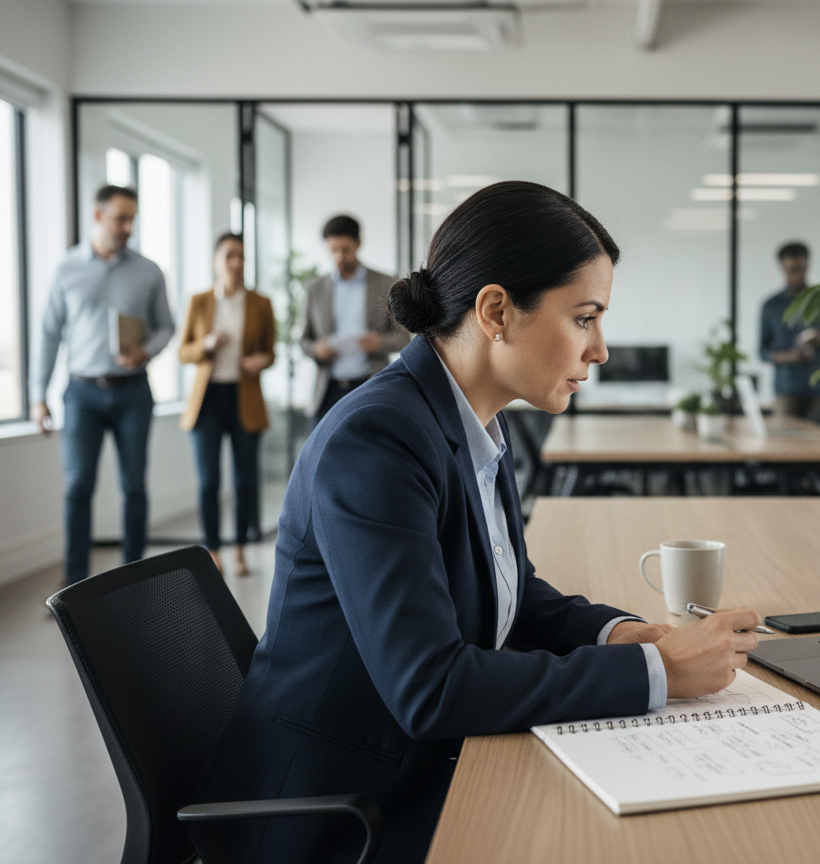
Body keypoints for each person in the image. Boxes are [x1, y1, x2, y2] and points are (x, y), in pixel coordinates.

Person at [191, 182, 760, 864]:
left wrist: (625, 634)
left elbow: (507, 591)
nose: (601, 349)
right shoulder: (375, 441)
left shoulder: (473, 420)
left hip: (413, 766)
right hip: (338, 809)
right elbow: (432, 689)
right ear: (496, 311)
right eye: (584, 317)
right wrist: (655, 671)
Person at [30, 185, 175, 585]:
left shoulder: (149, 270)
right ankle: (73, 585)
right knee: (78, 487)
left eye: (133, 219)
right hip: (81, 394)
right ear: (98, 216)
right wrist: (37, 396)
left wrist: (145, 351)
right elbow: (47, 333)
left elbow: (167, 327)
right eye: (121, 218)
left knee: (133, 487)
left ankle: (134, 582)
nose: (128, 226)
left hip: (133, 391)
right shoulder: (66, 268)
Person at [178, 233, 276, 576]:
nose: (236, 263)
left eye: (241, 257)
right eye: (229, 256)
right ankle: (213, 550)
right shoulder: (200, 301)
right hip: (207, 402)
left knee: (244, 480)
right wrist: (206, 343)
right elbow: (183, 351)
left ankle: (240, 548)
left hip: (243, 397)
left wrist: (260, 361)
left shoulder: (261, 303)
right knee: (208, 482)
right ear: (216, 261)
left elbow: (271, 351)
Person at [300, 214, 411, 425]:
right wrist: (316, 349)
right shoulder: (315, 289)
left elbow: (403, 338)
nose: (339, 257)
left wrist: (379, 343)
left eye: (345, 249)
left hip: (370, 386)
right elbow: (303, 340)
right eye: (333, 250)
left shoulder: (386, 283)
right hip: (328, 391)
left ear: (358, 244)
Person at [758, 241, 820, 419]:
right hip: (786, 390)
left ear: (807, 266)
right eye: (791, 270)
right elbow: (762, 352)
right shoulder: (771, 306)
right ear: (782, 268)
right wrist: (790, 357)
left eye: (801, 268)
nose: (797, 275)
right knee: (783, 442)